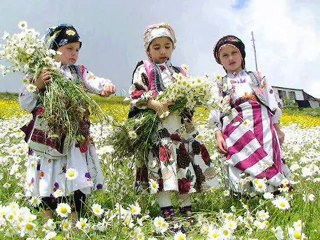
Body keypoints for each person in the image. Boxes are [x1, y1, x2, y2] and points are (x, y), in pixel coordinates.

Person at [19, 24, 116, 219]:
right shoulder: (40, 71)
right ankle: (48, 219)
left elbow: (94, 81)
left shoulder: (79, 72)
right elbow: (25, 102)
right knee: (48, 174)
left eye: (77, 50)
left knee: (76, 174)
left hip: (74, 137)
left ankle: (74, 221)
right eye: (69, 48)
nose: (74, 54)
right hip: (49, 137)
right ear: (54, 49)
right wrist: (37, 84)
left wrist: (106, 86)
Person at [129, 23, 219, 220]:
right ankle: (168, 215)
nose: (163, 51)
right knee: (162, 173)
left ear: (173, 47)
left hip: (180, 130)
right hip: (159, 131)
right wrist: (154, 103)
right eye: (157, 47)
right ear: (148, 50)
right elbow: (135, 94)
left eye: (167, 46)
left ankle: (187, 212)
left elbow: (189, 97)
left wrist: (191, 101)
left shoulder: (180, 72)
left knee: (184, 169)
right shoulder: (144, 69)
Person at [209, 35, 291, 195]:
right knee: (240, 160)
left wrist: (278, 128)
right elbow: (215, 110)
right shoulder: (220, 83)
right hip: (235, 131)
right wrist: (218, 134)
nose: (231, 58)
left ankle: (272, 193)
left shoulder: (258, 77)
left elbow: (271, 102)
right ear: (220, 60)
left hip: (262, 125)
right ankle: (245, 196)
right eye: (225, 55)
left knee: (266, 154)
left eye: (234, 52)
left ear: (242, 54)